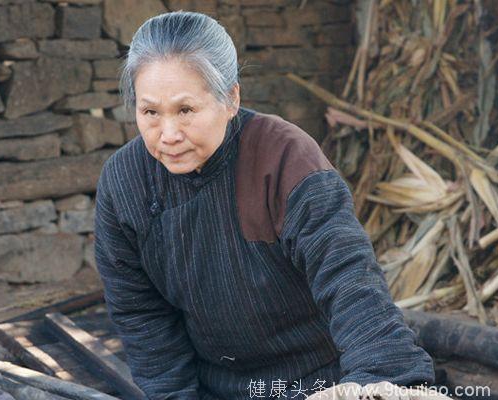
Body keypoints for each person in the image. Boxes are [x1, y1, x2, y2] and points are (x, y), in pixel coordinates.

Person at [94, 11, 437, 400]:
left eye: (186, 110)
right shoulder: (125, 183)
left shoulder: (284, 157)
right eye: (150, 112)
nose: (168, 135)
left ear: (231, 99)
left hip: (318, 382)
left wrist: (381, 383)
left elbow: (348, 279)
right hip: (216, 388)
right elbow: (140, 312)